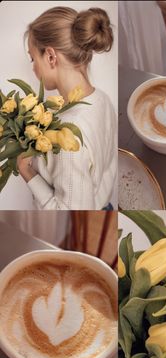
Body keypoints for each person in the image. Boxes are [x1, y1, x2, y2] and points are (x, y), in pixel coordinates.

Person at [17, 6, 117, 209]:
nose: (33, 67)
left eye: (33, 58)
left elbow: (70, 214)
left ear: (51, 57)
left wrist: (27, 172)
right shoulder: (103, 100)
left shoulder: (67, 134)